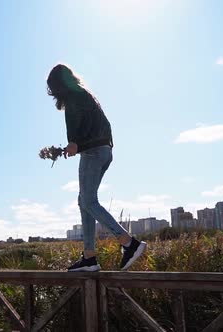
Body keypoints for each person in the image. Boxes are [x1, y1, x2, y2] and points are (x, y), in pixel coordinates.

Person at [46, 64, 147, 272]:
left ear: (57, 87)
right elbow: (96, 126)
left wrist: (72, 143)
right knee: (84, 201)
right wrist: (75, 145)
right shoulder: (86, 95)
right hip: (104, 150)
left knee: (89, 201)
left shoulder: (73, 97)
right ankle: (89, 257)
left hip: (93, 153)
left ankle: (129, 243)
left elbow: (75, 127)